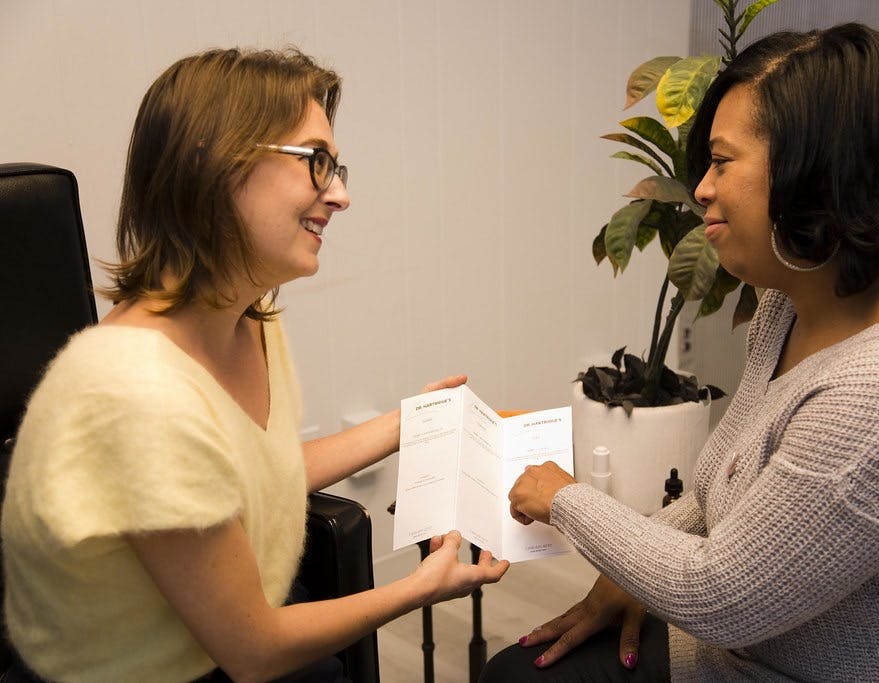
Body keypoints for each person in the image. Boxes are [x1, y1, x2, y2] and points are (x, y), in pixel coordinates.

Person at [484, 23, 879, 682]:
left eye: (721, 161)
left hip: (777, 653)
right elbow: (725, 497)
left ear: (817, 171)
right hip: (751, 650)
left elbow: (721, 598)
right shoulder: (792, 302)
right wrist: (631, 570)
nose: (702, 189)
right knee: (516, 670)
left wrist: (563, 496)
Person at [1, 47, 509, 683]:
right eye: (316, 162)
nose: (342, 195)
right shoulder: (133, 392)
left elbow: (256, 473)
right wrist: (420, 587)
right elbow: (254, 650)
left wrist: (412, 422)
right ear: (218, 164)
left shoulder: (250, 318)